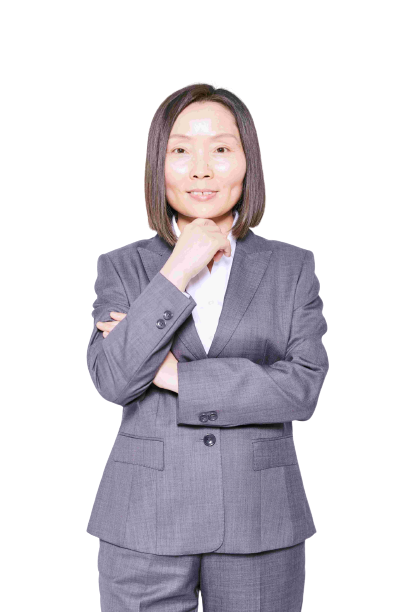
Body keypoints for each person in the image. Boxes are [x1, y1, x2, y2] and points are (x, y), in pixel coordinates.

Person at [86, 81, 329, 611]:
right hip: (143, 523)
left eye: (220, 148)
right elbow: (114, 380)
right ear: (158, 166)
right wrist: (177, 269)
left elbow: (302, 387)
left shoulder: (292, 268)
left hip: (260, 523)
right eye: (181, 150)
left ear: (248, 163)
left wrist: (175, 376)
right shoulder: (121, 267)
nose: (201, 170)